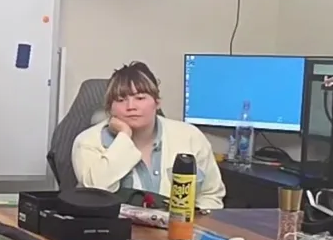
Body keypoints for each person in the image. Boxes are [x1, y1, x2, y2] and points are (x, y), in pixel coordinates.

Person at [71, 61, 227, 211]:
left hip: (181, 226)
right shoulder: (88, 142)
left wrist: (190, 221)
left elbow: (211, 195)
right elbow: (95, 194)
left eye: (140, 98)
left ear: (157, 103)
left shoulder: (190, 137)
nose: (131, 106)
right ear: (110, 108)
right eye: (121, 100)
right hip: (116, 227)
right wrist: (124, 136)